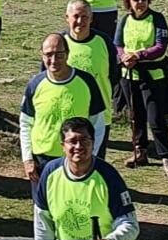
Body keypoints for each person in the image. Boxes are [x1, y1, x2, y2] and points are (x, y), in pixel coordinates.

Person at [18, 34, 108, 184]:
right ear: (42, 55)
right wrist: (27, 159)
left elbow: (98, 123)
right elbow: (26, 123)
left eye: (59, 55)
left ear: (67, 54)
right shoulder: (35, 84)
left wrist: (90, 156)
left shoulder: (86, 82)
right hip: (42, 161)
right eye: (48, 55)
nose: (53, 60)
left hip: (76, 159)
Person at [116, 0, 168, 178]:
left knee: (156, 117)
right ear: (129, 2)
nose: (140, 2)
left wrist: (138, 55)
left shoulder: (157, 19)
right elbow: (117, 44)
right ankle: (139, 151)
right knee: (136, 116)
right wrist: (124, 57)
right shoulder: (124, 20)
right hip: (129, 76)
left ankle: (167, 158)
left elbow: (160, 46)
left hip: (153, 77)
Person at [62, 0, 121, 149]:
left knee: (95, 165)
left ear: (92, 19)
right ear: (67, 17)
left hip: (99, 116)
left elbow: (114, 76)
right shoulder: (59, 43)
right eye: (76, 16)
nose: (80, 21)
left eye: (85, 17)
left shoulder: (104, 42)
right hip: (66, 116)